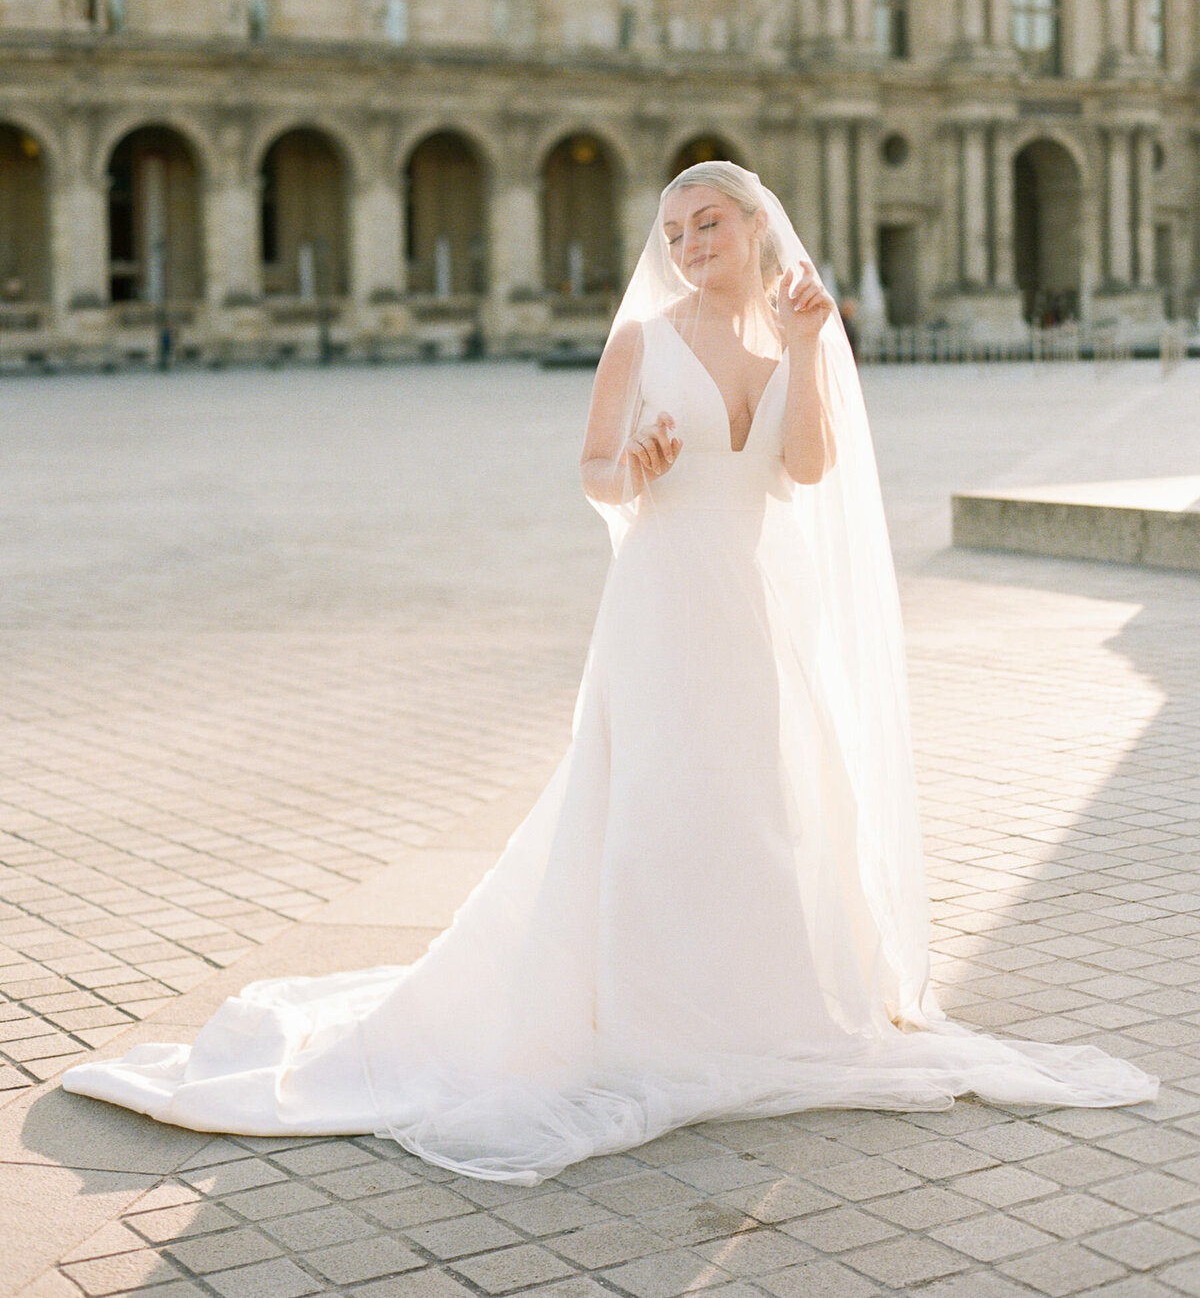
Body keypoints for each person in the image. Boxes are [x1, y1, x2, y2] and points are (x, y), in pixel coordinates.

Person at [62, 161, 1157, 1185]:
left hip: (749, 601)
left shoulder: (791, 342)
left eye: (706, 225)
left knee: (756, 798)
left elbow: (806, 470)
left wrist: (817, 348)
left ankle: (748, 1001)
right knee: (654, 793)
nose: (686, 245)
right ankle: (648, 1009)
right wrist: (625, 466)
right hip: (660, 599)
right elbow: (591, 463)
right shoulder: (641, 338)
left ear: (756, 225)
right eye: (673, 232)